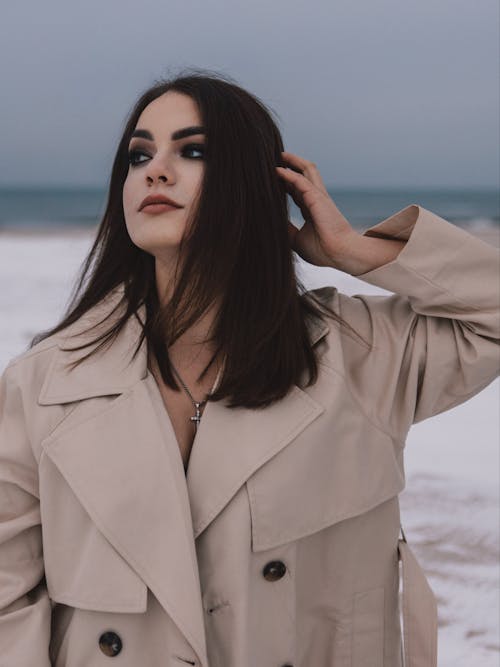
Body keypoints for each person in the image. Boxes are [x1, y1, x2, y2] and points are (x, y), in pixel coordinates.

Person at [0, 69, 498, 667]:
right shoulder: (43, 382)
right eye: (139, 155)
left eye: (193, 150)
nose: (155, 170)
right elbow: (8, 595)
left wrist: (354, 252)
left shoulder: (360, 354)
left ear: (254, 183)